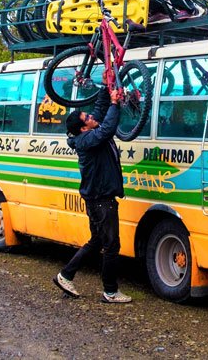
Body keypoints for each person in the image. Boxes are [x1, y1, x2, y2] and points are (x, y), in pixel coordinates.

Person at [53, 86, 132, 303]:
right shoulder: (86, 141)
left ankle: (65, 275)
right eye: (87, 117)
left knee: (97, 241)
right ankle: (110, 291)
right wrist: (115, 104)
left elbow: (99, 110)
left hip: (98, 199)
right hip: (100, 201)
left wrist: (107, 90)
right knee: (111, 245)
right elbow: (107, 129)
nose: (91, 116)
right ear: (83, 128)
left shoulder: (87, 130)